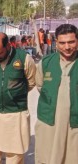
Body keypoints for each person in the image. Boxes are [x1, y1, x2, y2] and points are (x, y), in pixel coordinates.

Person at [0, 32, 36, 164]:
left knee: (15, 152)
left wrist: (12, 94)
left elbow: (31, 82)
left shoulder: (24, 59)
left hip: (16, 113)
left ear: (8, 46)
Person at [35, 24, 78, 164]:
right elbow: (40, 85)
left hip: (74, 126)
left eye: (71, 42)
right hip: (49, 123)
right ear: (56, 43)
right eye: (62, 43)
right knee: (48, 157)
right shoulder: (46, 63)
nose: (67, 47)